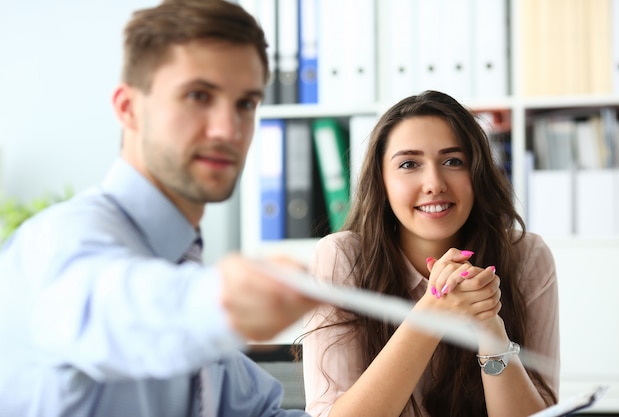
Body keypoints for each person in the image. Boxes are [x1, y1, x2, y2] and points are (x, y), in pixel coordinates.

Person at [0, 1, 319, 416]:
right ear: (128, 107)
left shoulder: (182, 270)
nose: (229, 129)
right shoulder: (61, 240)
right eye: (198, 95)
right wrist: (221, 302)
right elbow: (112, 306)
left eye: (245, 103)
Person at [301, 90, 560, 417]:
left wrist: (489, 328)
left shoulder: (526, 257)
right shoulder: (341, 257)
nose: (434, 183)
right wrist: (432, 312)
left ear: (477, 174)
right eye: (409, 164)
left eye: (453, 161)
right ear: (381, 181)